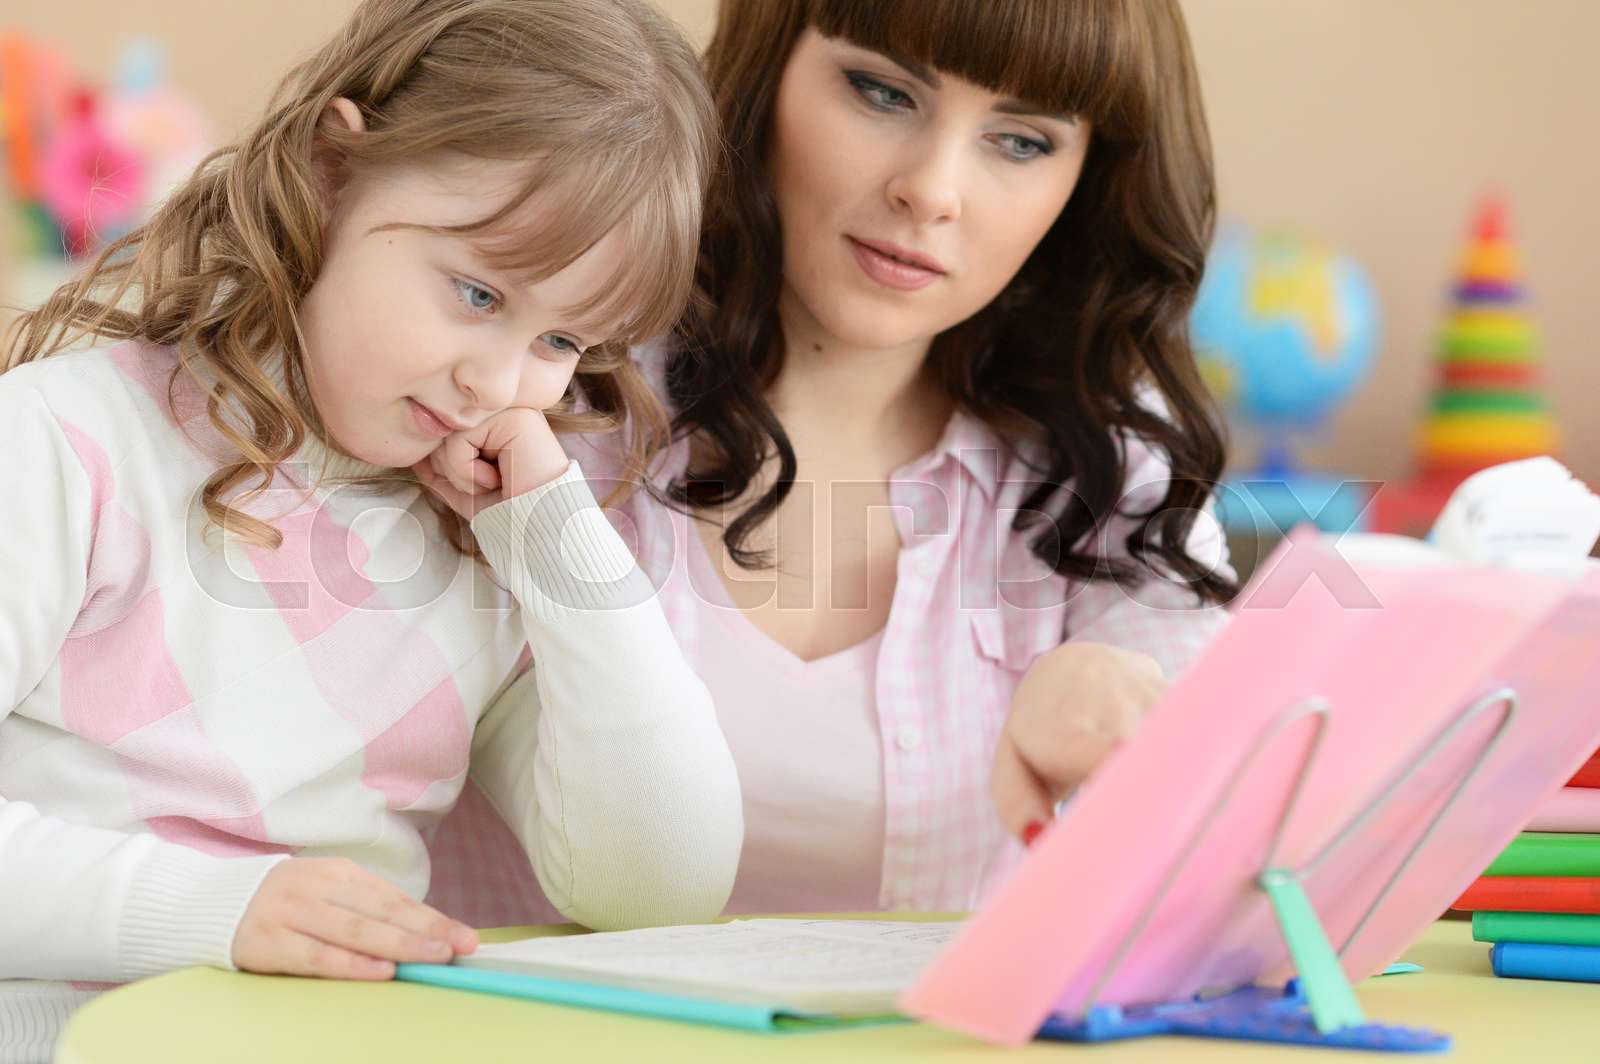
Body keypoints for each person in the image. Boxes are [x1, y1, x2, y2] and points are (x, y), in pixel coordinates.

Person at [0, 1, 742, 1058]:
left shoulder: (481, 541)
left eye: (565, 338)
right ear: (329, 172)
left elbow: (658, 882)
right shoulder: (66, 439)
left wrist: (557, 540)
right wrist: (220, 908)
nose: (500, 381)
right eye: (478, 291)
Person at [428, 0, 1238, 925]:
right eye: (880, 91)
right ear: (767, 74)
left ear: (1088, 181)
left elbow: (1231, 842)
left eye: (1022, 143)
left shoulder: (1107, 454)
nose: (932, 190)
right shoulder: (534, 376)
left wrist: (1127, 698)